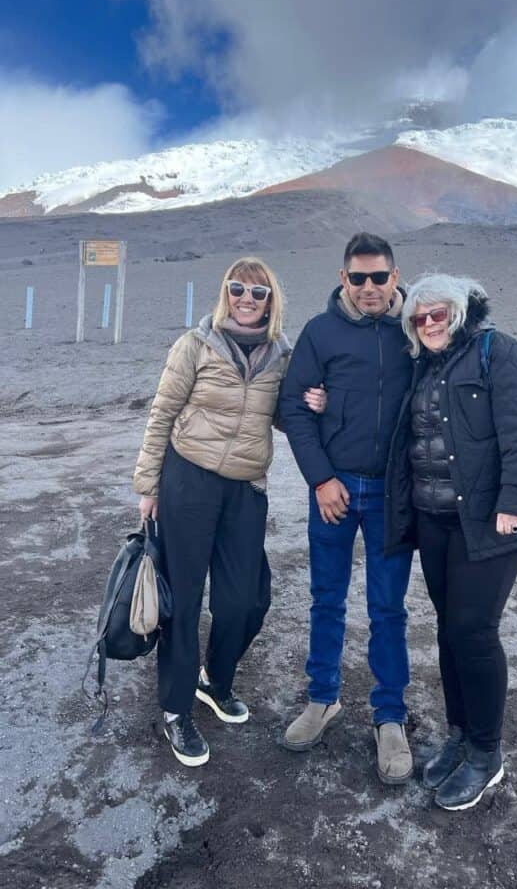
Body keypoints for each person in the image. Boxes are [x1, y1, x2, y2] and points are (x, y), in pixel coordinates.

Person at [384, 274, 517, 810]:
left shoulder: (500, 354)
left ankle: (487, 755)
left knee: (474, 630)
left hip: (491, 519)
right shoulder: (424, 365)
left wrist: (514, 503)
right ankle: (460, 736)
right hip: (437, 520)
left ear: (461, 312)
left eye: (439, 313)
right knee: (449, 630)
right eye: (419, 318)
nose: (430, 324)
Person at [133, 256, 324, 767]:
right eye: (237, 288)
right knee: (185, 599)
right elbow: (162, 413)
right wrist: (147, 484)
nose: (246, 298)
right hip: (187, 481)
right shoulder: (194, 345)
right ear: (225, 293)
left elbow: (283, 417)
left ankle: (214, 681)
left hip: (244, 489)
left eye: (258, 292)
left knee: (246, 600)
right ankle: (176, 711)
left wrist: (313, 403)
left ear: (271, 300)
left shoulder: (281, 354)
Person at [278, 232, 415, 784]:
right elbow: (293, 405)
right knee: (326, 599)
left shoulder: (415, 330)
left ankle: (389, 718)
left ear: (394, 276)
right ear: (343, 279)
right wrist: (320, 479)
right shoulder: (320, 331)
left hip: (391, 494)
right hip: (335, 491)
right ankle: (322, 699)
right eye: (357, 278)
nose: (369, 288)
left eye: (379, 277)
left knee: (388, 607)